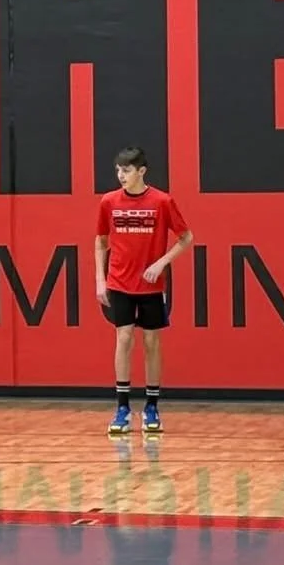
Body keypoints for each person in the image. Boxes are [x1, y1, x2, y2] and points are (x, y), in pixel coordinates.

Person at [95, 147, 193, 435]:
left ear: (141, 171)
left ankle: (152, 406)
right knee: (123, 338)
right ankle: (122, 408)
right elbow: (100, 242)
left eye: (126, 170)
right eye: (118, 171)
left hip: (151, 285)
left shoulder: (162, 201)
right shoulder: (109, 202)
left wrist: (161, 262)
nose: (120, 176)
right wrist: (100, 280)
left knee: (151, 342)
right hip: (119, 282)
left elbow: (186, 237)